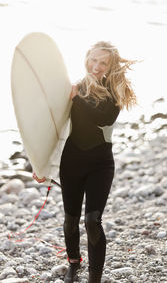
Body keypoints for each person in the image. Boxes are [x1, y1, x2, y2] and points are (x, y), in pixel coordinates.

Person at [34, 41, 137, 283]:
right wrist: (39, 164)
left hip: (100, 164)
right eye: (93, 60)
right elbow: (52, 127)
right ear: (86, 58)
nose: (97, 66)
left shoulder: (115, 91)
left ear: (111, 66)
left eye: (103, 62)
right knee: (70, 221)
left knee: (92, 220)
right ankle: (73, 263)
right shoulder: (75, 88)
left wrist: (77, 97)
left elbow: (104, 118)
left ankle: (95, 278)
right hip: (71, 161)